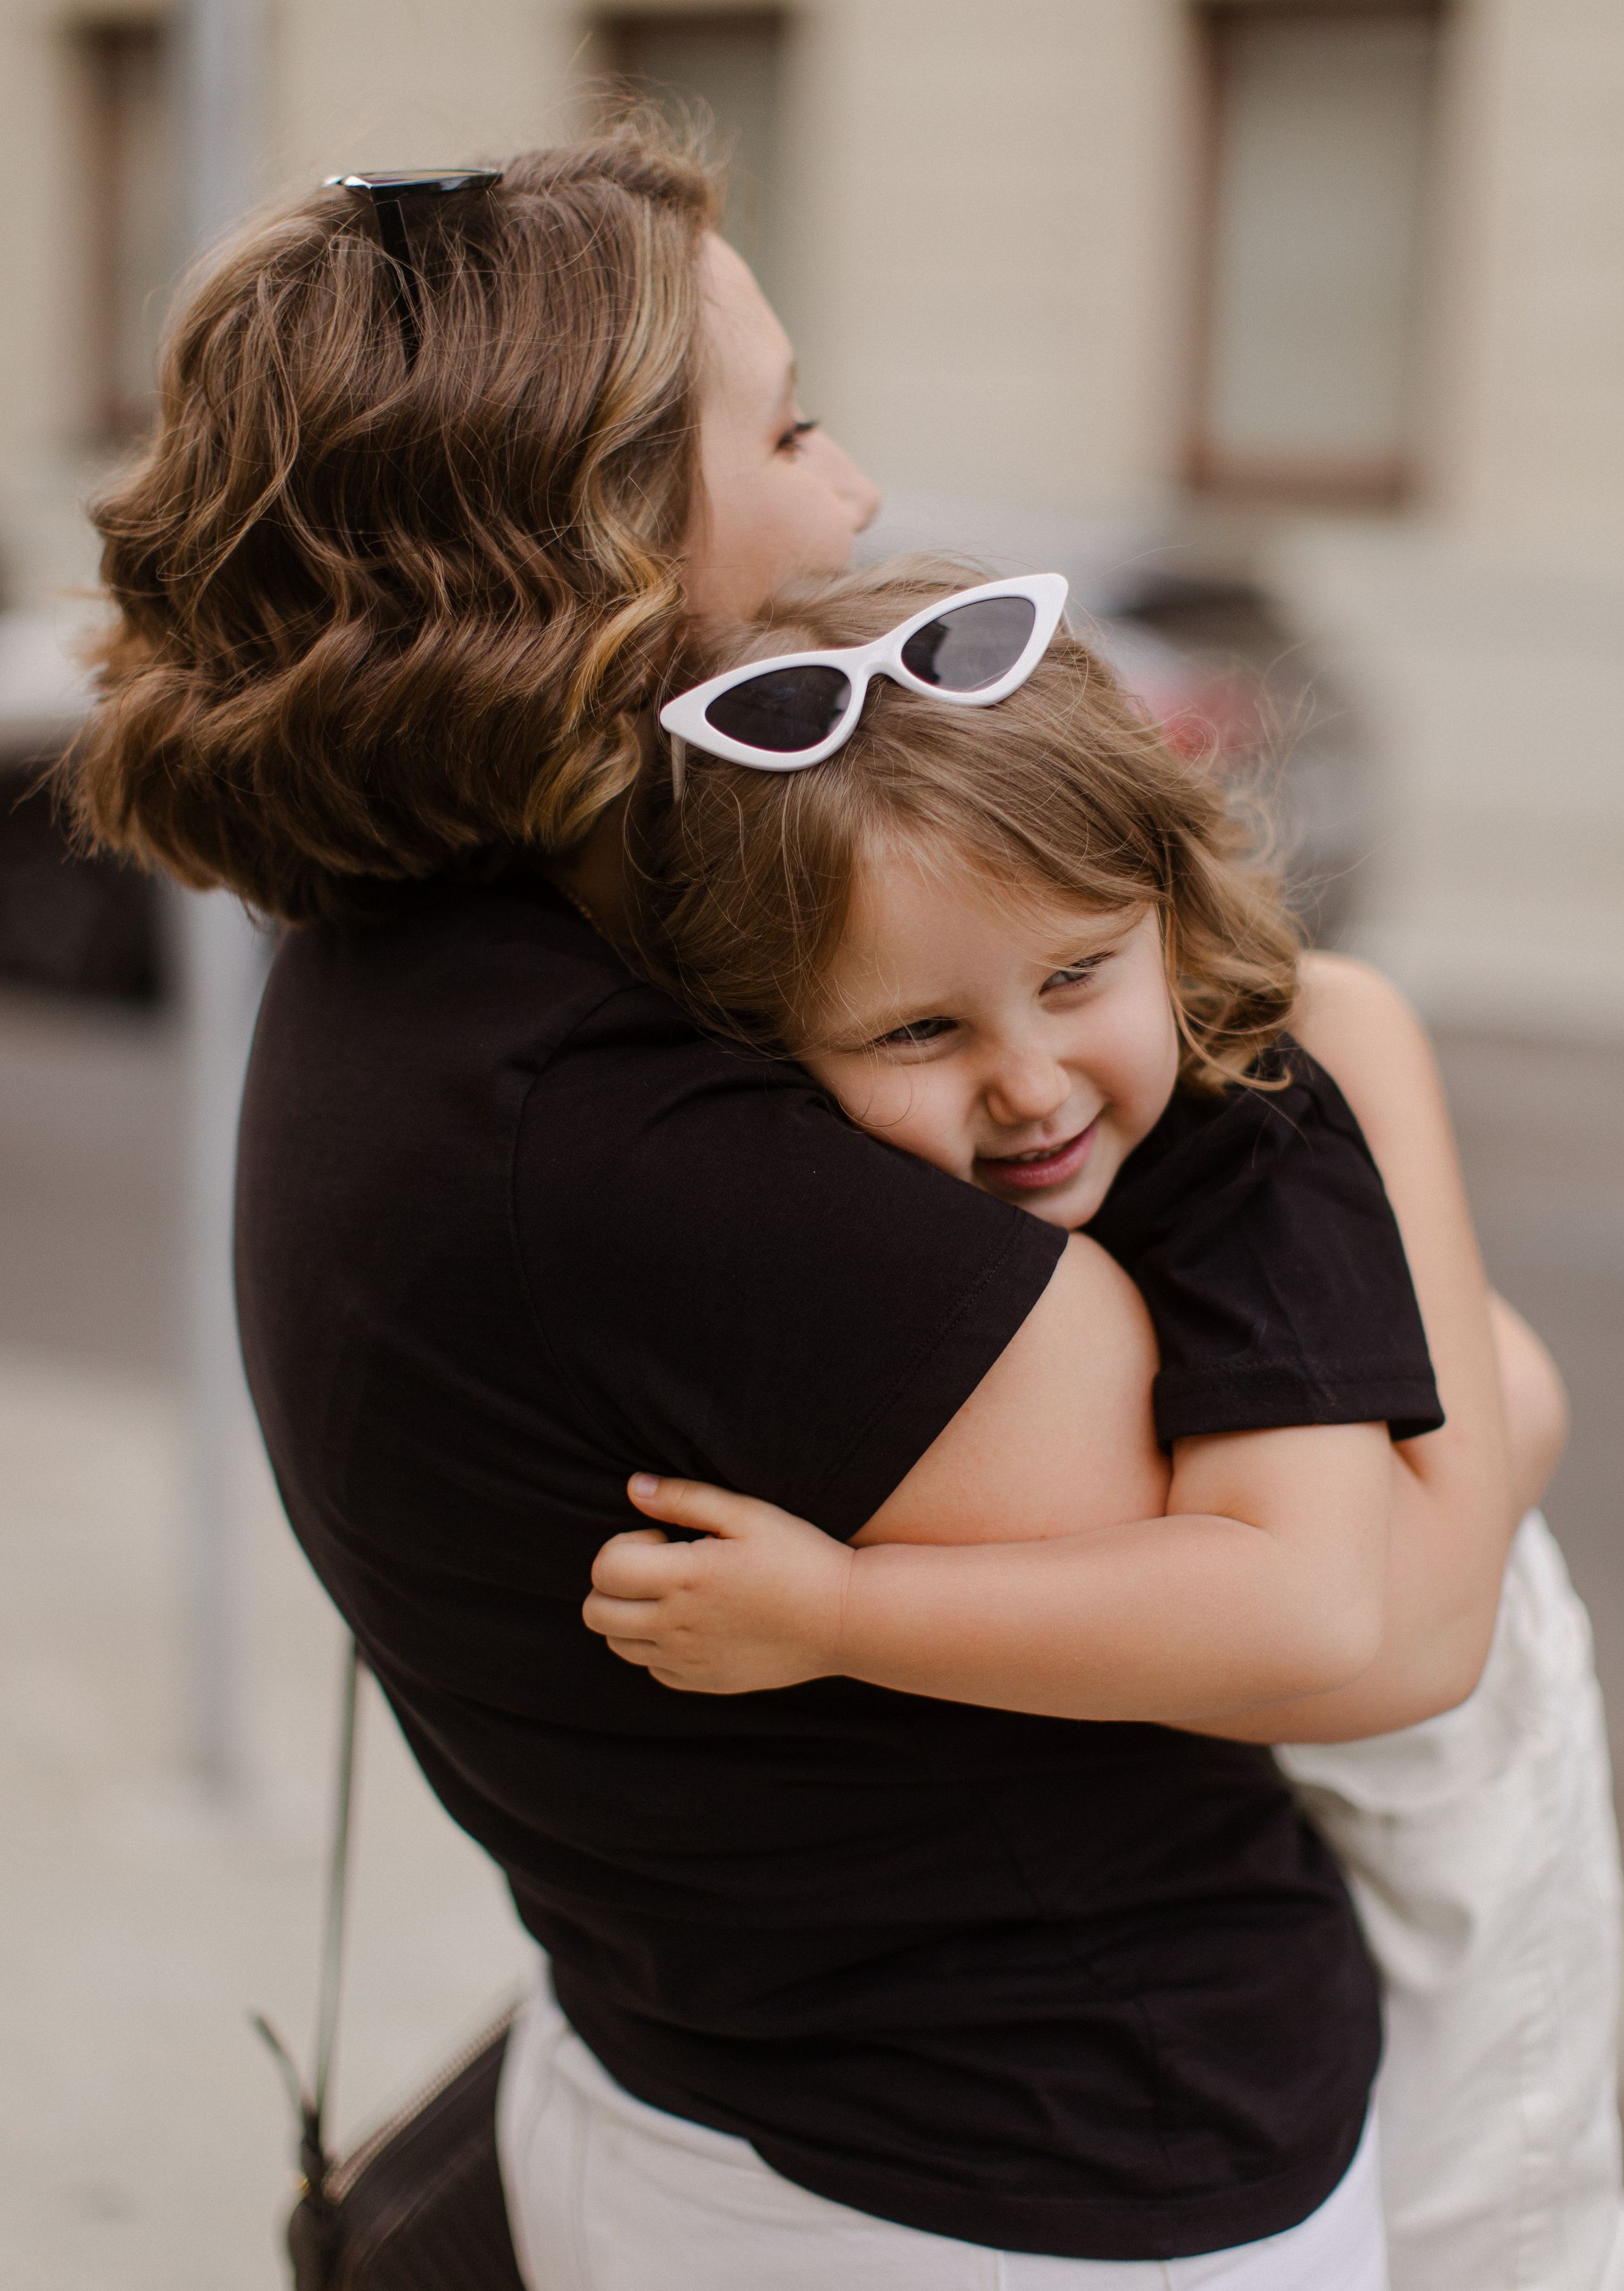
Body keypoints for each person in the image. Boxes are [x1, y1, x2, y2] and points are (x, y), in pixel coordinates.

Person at [58, 126, 1527, 2286]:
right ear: (601, 540)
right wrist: (1374, 1052)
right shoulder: (647, 1142)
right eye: (794, 427)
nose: (853, 499)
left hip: (743, 2087)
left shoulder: (460, 954)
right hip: (1021, 2182)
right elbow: (1375, 1610)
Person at [591, 560, 1624, 2290]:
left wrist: (835, 1619)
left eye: (1081, 976)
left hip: (1452, 1805)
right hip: (1284, 1760)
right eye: (921, 1028)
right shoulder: (859, 1171)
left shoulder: (1251, 1122)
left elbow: (1304, 1605)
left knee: (1482, 2227)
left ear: (1164, 904)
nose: (1029, 1081)